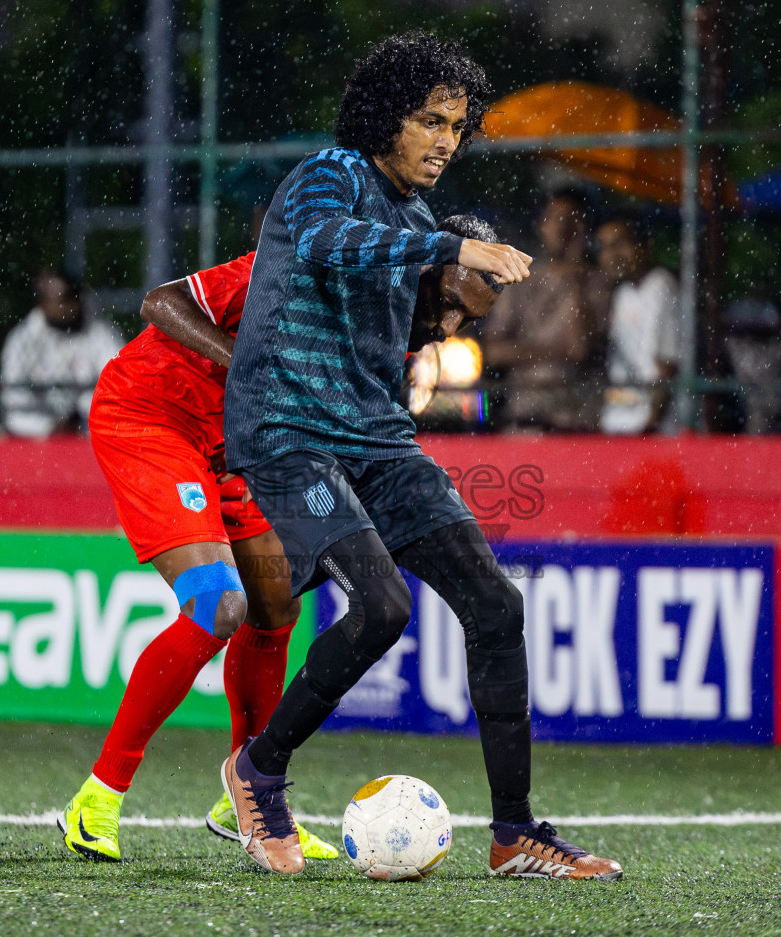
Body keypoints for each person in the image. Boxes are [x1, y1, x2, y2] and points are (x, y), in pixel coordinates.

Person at [220, 32, 623, 880]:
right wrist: (453, 248)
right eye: (430, 121)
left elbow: (400, 320)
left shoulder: (412, 218)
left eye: (458, 125)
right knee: (382, 608)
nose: (446, 140)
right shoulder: (330, 175)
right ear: (383, 118)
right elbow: (329, 242)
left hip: (374, 438)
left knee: (495, 606)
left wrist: (449, 305)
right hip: (288, 436)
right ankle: (258, 772)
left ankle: (514, 835)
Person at [57, 225, 505, 865]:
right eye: (450, 304)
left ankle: (246, 795)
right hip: (153, 415)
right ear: (419, 270)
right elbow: (160, 302)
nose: (448, 327)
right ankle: (98, 797)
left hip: (239, 450)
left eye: (468, 320)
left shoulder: (390, 347)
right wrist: (248, 367)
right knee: (218, 606)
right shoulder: (300, 273)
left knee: (275, 606)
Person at [481, 189, 604, 430]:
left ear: (583, 228)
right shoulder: (521, 279)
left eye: (570, 221)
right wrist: (558, 350)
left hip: (577, 422)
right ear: (542, 225)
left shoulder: (599, 283)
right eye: (553, 219)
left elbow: (580, 348)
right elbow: (493, 352)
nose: (561, 229)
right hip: (525, 416)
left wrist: (574, 277)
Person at [0, 266, 124, 437]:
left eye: (74, 296)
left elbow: (119, 384)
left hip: (90, 429)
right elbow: (14, 399)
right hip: (36, 435)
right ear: (43, 302)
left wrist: (79, 417)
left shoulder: (100, 333)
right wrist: (51, 426)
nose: (71, 304)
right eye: (63, 299)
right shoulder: (23, 338)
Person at [595, 213, 679, 433]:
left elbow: (667, 366)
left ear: (645, 247)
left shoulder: (661, 286)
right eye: (604, 247)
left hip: (653, 428)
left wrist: (652, 420)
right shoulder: (623, 292)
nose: (611, 255)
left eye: (619, 244)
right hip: (620, 420)